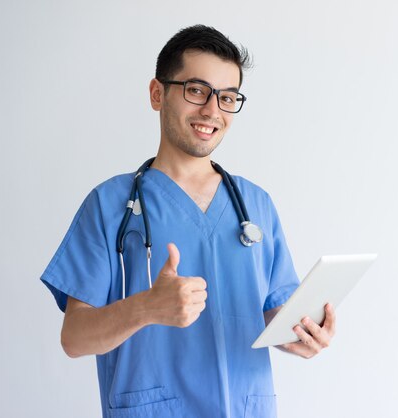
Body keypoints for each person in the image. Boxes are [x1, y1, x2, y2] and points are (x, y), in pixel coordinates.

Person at [41, 25, 335, 418]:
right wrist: (146, 307)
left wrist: (303, 335)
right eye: (197, 90)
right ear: (157, 94)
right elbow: (74, 338)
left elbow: (274, 314)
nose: (212, 111)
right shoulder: (110, 205)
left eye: (227, 97)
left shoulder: (256, 205)